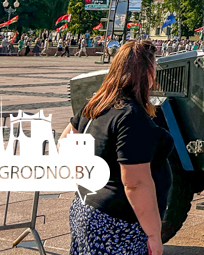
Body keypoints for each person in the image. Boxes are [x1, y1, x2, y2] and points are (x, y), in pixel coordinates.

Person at [61, 40, 172, 255]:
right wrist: (154, 235)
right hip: (117, 222)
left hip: (87, 208)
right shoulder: (132, 116)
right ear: (147, 72)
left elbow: (65, 144)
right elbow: (135, 183)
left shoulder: (96, 103)